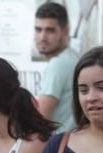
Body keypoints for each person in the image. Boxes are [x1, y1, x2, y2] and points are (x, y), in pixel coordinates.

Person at [34, 2, 79, 132]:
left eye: (50, 30)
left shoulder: (59, 65)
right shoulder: (72, 58)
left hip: (59, 145)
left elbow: (39, 118)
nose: (42, 37)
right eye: (38, 29)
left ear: (65, 31)